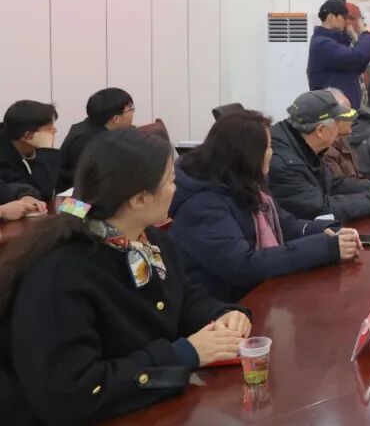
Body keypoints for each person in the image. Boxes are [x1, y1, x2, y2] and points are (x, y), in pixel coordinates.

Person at [0, 129, 250, 424]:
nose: (176, 188)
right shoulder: (59, 274)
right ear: (139, 199)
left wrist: (222, 315)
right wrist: (184, 354)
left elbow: (183, 297)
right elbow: (72, 394)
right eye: (171, 180)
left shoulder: (150, 240)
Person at [170, 110, 361, 302]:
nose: (273, 153)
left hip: (258, 293)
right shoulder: (202, 205)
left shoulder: (246, 182)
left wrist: (324, 231)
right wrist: (323, 248)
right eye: (268, 146)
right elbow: (244, 265)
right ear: (249, 154)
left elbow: (284, 224)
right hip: (224, 306)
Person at [267, 90, 370, 221]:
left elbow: (330, 184)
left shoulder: (301, 142)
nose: (340, 130)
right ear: (321, 130)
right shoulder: (285, 163)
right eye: (337, 123)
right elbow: (318, 210)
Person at [58, 88, 135, 190]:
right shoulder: (85, 141)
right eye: (130, 109)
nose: (133, 112)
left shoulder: (98, 127)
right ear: (116, 119)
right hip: (75, 196)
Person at [307, 0, 370, 110]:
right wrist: (367, 34)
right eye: (344, 17)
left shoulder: (333, 42)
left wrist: (353, 36)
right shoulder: (322, 44)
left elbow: (357, 66)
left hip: (342, 112)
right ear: (331, 17)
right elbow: (356, 58)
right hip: (334, 113)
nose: (346, 21)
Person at [0, 101, 61, 201]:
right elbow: (40, 193)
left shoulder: (31, 148)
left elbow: (60, 183)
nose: (55, 130)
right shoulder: (4, 162)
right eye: (49, 128)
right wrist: (47, 150)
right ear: (27, 135)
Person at [323, 88, 365, 180]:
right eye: (348, 112)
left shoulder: (344, 141)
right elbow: (340, 186)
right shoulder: (325, 153)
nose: (353, 118)